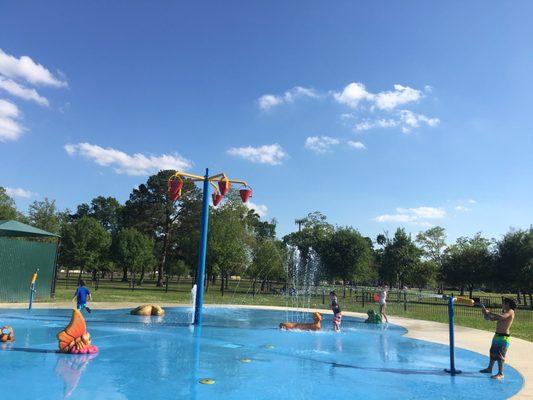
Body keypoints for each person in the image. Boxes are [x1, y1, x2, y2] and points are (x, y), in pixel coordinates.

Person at [479, 298, 516, 379]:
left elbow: (502, 317)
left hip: (504, 337)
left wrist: (490, 312)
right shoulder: (504, 312)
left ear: (508, 304)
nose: (502, 305)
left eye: (503, 303)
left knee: (500, 355)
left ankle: (500, 373)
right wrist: (486, 314)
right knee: (492, 352)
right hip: (497, 335)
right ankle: (489, 368)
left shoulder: (510, 311)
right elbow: (492, 319)